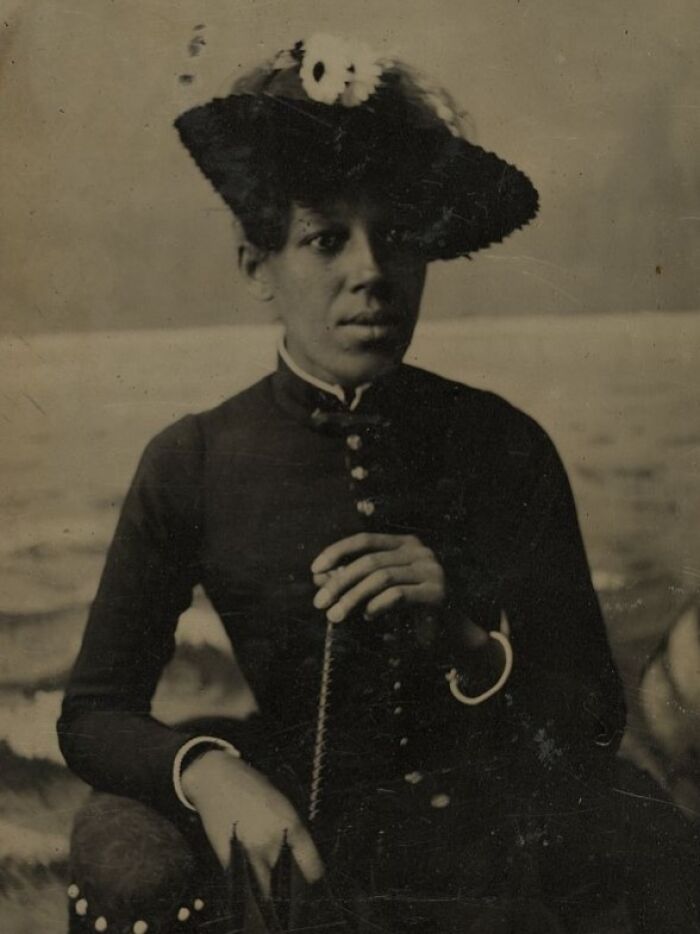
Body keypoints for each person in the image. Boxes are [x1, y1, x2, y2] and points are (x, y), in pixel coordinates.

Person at [57, 35, 697, 934]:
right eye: (326, 240)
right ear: (256, 266)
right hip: (303, 836)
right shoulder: (192, 460)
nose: (370, 272)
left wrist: (468, 639)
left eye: (396, 237)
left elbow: (592, 722)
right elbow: (93, 714)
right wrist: (208, 771)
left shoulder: (504, 444)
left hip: (496, 849)